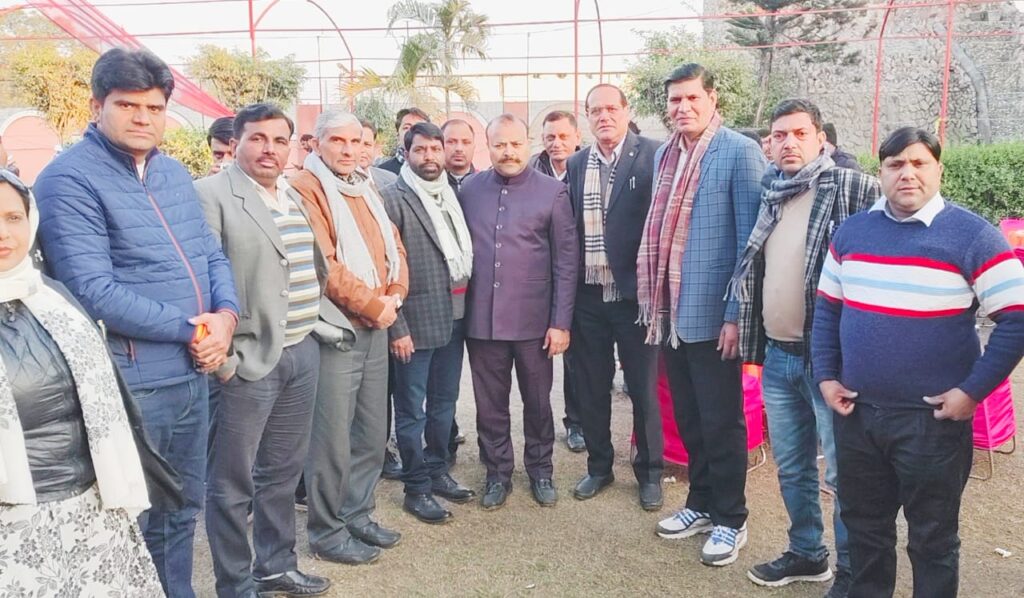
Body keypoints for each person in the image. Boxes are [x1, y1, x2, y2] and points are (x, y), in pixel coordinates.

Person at [33, 48, 239, 598]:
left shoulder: (172, 173)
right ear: (96, 106)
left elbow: (210, 255)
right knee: (133, 522)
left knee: (182, 511)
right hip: (132, 384)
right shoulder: (68, 179)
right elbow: (92, 290)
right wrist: (195, 330)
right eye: (127, 105)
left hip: (194, 374)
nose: (143, 118)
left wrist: (226, 317)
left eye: (155, 107)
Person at [812, 127, 1024, 598]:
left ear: (938, 170)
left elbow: (1017, 318)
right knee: (865, 531)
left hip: (932, 422)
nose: (907, 173)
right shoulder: (852, 233)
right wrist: (826, 376)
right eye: (895, 165)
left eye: (919, 163)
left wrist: (971, 392)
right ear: (881, 172)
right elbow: (827, 310)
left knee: (932, 539)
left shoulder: (973, 236)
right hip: (858, 414)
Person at [730, 99, 880, 596]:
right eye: (779, 135)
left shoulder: (853, 187)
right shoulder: (770, 193)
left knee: (843, 473)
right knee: (793, 467)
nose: (788, 143)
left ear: (820, 139)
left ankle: (853, 571)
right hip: (777, 357)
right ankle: (807, 553)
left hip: (830, 363)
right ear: (769, 143)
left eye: (799, 133)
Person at [0, 171, 172, 596]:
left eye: (13, 217)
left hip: (92, 511)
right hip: (15, 529)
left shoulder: (50, 296)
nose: (3, 233)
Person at [195, 104, 332, 598]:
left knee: (282, 471)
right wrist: (226, 363)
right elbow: (200, 283)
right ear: (237, 143)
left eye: (279, 140)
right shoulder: (210, 195)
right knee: (232, 483)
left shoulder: (290, 193)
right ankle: (234, 583)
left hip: (300, 350)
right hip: (247, 362)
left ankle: (276, 564)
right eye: (257, 138)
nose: (269, 149)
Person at [641, 63, 765, 566]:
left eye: (692, 97)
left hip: (716, 316)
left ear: (713, 98)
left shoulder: (739, 151)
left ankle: (731, 518)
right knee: (689, 417)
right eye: (675, 99)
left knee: (721, 421)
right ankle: (701, 502)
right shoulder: (665, 154)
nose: (683, 107)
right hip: (671, 311)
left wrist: (735, 315)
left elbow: (750, 243)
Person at [291, 109, 409, 565]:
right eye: (337, 140)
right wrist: (374, 306)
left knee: (371, 430)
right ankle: (327, 531)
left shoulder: (364, 185)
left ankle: (358, 513)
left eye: (355, 141)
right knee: (331, 438)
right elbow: (325, 264)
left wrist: (395, 291)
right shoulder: (306, 187)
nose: (347, 149)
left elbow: (394, 245)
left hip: (376, 324)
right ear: (316, 143)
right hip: (337, 330)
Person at [460, 114, 578, 510]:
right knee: (489, 405)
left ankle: (541, 470)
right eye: (499, 145)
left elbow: (566, 262)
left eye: (515, 144)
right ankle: (497, 473)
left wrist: (560, 322)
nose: (508, 152)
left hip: (534, 323)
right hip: (482, 321)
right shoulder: (469, 189)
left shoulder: (552, 192)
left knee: (538, 402)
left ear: (527, 144)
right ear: (488, 146)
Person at [564, 85, 663, 510]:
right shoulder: (576, 163)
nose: (603, 116)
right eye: (595, 110)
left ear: (626, 111)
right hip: (588, 295)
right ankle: (599, 466)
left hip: (634, 296)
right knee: (591, 386)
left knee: (642, 389)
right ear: (586, 117)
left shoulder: (653, 154)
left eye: (611, 108)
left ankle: (650, 473)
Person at [379, 122, 476, 524]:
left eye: (436, 149)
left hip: (454, 319)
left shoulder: (452, 194)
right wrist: (397, 327)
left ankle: (438, 471)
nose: (430, 156)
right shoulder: (392, 198)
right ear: (406, 153)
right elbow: (384, 270)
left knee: (443, 405)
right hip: (413, 326)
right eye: (421, 150)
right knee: (411, 411)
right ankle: (416, 487)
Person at [529, 111, 581, 182]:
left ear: (577, 137)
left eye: (563, 137)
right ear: (543, 139)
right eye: (550, 138)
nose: (556, 144)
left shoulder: (589, 168)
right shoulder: (531, 168)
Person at [378, 107, 430, 175]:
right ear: (398, 135)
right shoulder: (382, 172)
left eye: (419, 127)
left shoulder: (437, 169)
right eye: (406, 127)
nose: (413, 132)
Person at [359, 119, 396, 189]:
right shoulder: (337, 184)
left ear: (374, 146)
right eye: (357, 143)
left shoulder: (391, 179)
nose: (362, 150)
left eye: (367, 144)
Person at [442, 118, 477, 192]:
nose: (459, 149)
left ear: (474, 147)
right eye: (451, 142)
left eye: (466, 142)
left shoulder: (486, 185)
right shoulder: (430, 184)